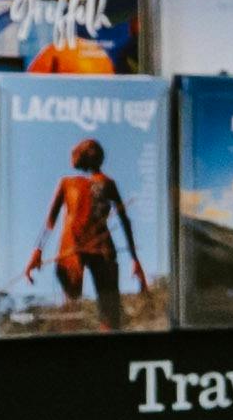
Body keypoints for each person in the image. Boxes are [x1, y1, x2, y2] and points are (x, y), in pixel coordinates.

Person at [27, 130, 146, 321]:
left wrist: (37, 250)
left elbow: (50, 221)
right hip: (82, 249)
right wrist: (135, 260)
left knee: (81, 313)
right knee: (88, 313)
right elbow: (125, 222)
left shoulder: (74, 183)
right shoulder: (100, 183)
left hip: (85, 247)